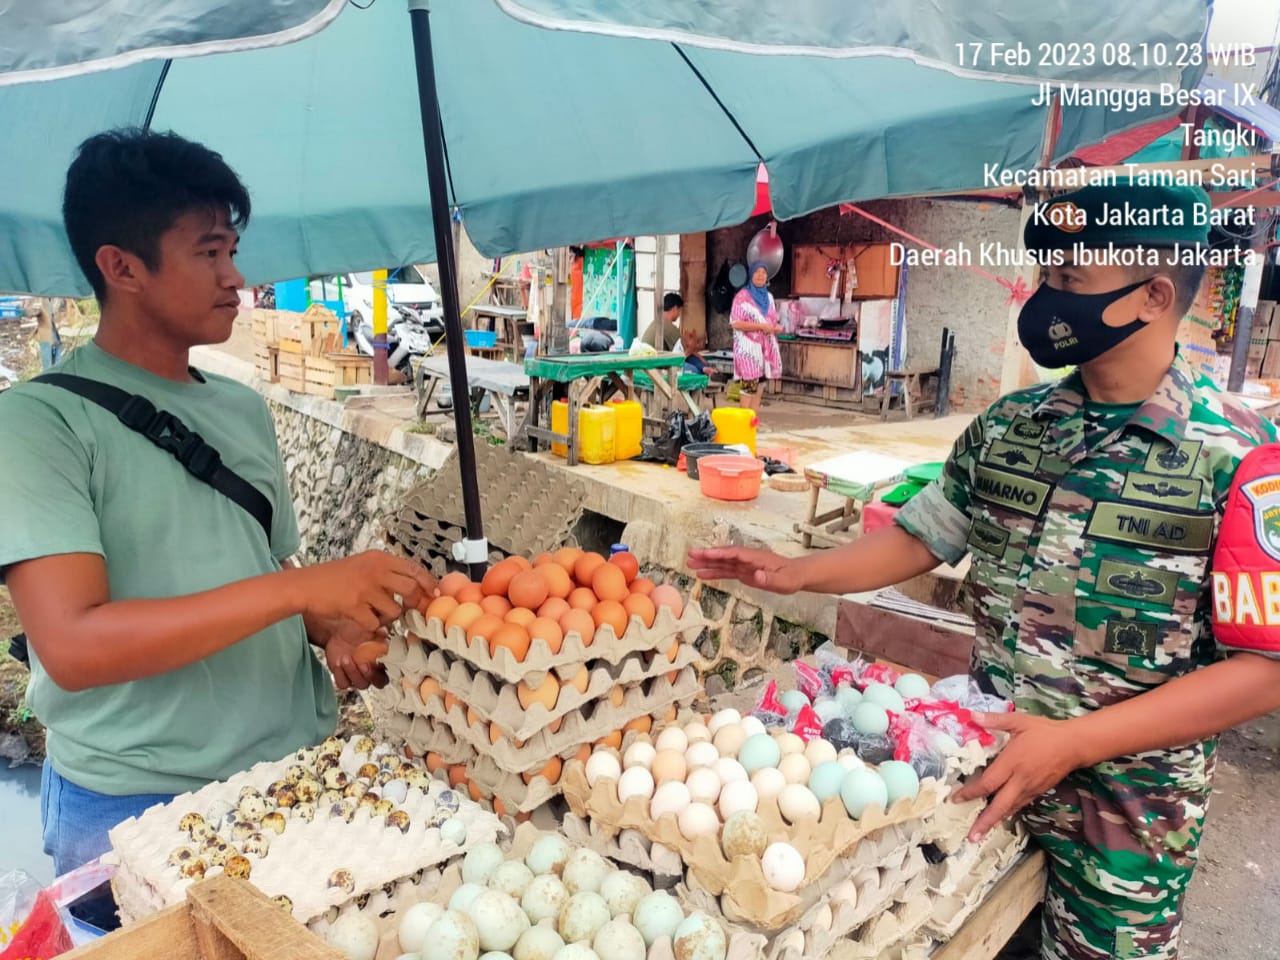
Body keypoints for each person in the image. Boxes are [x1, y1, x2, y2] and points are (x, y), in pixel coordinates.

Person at [689, 183, 1280, 960]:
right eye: (1046, 278)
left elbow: (1263, 671)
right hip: (973, 772)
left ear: (1153, 297)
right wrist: (797, 574)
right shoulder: (1011, 427)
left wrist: (1073, 743)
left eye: (1069, 284)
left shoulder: (1239, 457)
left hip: (1124, 823)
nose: (1045, 301)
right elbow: (922, 538)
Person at [0, 129, 437, 889]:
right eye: (208, 253)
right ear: (121, 266)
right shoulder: (39, 425)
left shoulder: (241, 409)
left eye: (232, 250)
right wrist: (301, 590)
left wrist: (329, 623)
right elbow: (71, 645)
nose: (236, 278)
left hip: (294, 772)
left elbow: (260, 571)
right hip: (136, 802)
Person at [729, 261, 782, 411]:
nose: (760, 275)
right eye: (757, 272)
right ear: (751, 275)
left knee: (760, 385)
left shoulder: (769, 297)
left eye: (763, 272)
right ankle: (744, 423)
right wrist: (760, 326)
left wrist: (776, 328)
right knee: (749, 385)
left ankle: (753, 422)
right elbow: (735, 323)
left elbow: (772, 321)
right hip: (748, 350)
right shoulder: (742, 296)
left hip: (765, 349)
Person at [31, 300, 62, 370]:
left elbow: (52, 320)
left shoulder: (51, 304)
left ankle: (55, 373)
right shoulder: (41, 306)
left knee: (55, 357)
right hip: (46, 336)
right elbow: (32, 311)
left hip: (53, 334)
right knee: (47, 361)